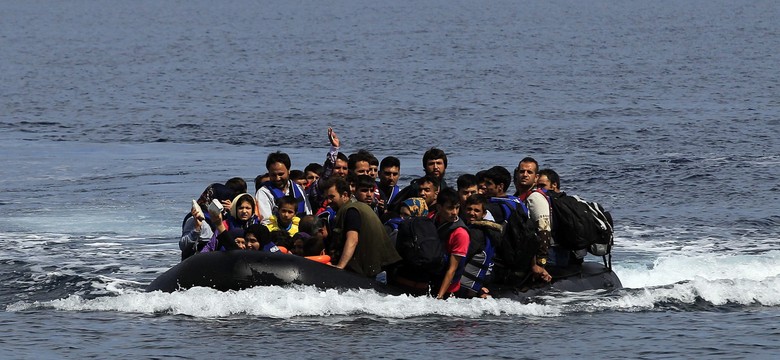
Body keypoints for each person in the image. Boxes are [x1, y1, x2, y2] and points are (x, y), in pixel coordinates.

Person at [322, 177, 402, 277]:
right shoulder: (358, 207)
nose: (328, 201)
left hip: (375, 273)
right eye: (326, 198)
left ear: (345, 195)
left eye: (331, 197)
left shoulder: (351, 210)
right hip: (380, 269)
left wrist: (340, 267)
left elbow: (352, 240)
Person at [513, 157, 553, 282]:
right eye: (522, 171)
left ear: (536, 178)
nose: (525, 175)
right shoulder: (517, 197)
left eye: (529, 172)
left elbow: (544, 229)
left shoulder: (535, 198)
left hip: (537, 257)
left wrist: (541, 264)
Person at [458, 194, 502, 298]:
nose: (472, 213)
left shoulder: (475, 233)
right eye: (469, 209)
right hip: (485, 279)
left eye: (477, 211)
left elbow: (462, 257)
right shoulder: (491, 230)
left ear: (484, 214)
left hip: (469, 286)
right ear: (464, 210)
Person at [179, 183, 235, 260]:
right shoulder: (196, 218)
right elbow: (183, 246)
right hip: (196, 264)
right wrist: (196, 229)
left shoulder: (225, 218)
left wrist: (232, 213)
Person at [431, 188, 470, 299]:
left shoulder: (460, 234)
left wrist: (440, 297)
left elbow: (452, 269)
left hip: (449, 290)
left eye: (457, 208)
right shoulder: (432, 218)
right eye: (450, 208)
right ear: (439, 208)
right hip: (432, 279)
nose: (454, 212)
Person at [255, 151, 312, 224]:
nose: (277, 178)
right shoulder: (263, 193)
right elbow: (266, 221)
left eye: (280, 174)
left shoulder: (299, 189)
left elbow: (308, 213)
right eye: (273, 175)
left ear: (288, 171)